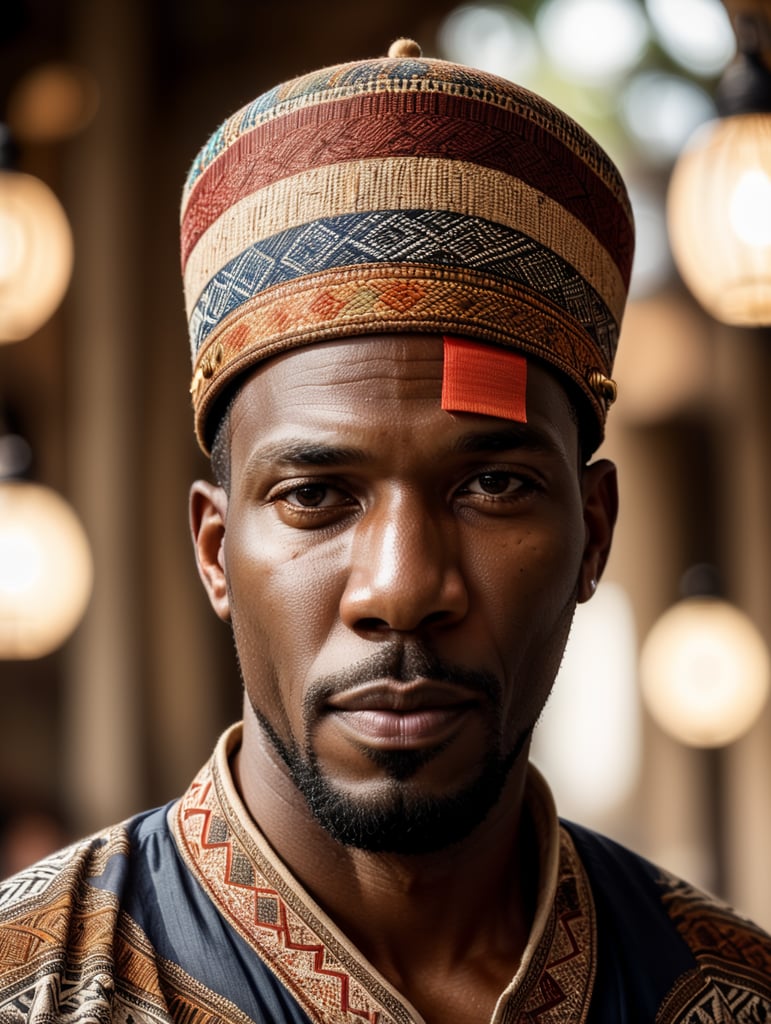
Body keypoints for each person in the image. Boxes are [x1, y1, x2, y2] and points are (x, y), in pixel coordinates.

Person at [1, 38, 769, 1024]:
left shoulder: (733, 994)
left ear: (594, 534)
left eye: (492, 485)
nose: (402, 588)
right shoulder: (34, 989)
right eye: (317, 496)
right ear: (215, 551)